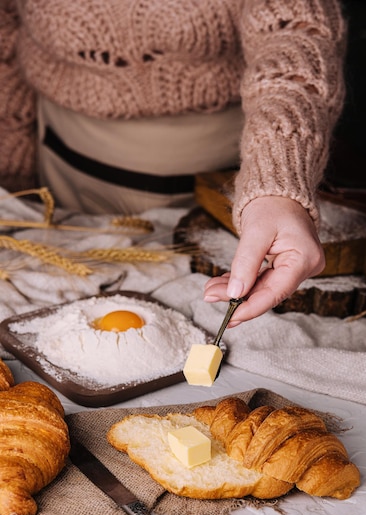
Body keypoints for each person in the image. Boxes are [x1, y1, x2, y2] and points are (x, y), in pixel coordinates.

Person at [0, 0, 346, 325]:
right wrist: (13, 185)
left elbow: (294, 34)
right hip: (63, 164)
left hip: (226, 175)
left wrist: (276, 184)